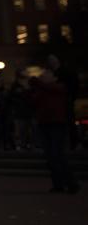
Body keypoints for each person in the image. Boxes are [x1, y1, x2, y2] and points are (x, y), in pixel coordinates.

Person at [30, 61, 80, 193]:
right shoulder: (42, 90)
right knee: (50, 156)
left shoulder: (59, 87)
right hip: (44, 123)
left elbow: (51, 90)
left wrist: (38, 83)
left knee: (58, 154)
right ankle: (58, 184)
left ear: (54, 77)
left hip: (57, 123)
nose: (43, 76)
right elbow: (33, 101)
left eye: (47, 74)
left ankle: (71, 183)